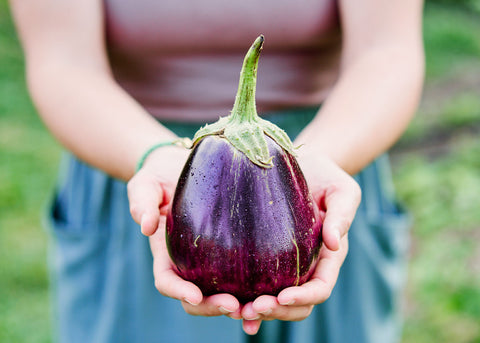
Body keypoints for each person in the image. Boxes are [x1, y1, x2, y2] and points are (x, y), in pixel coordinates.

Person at [9, 0, 424, 342]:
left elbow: (387, 51)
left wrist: (312, 161)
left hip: (316, 168)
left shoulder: (314, 170)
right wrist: (156, 155)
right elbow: (63, 64)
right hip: (140, 164)